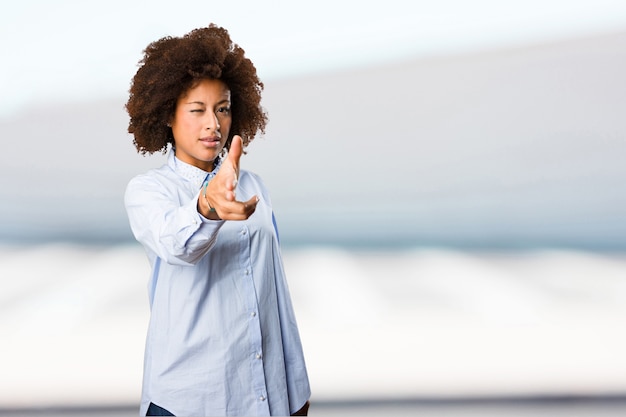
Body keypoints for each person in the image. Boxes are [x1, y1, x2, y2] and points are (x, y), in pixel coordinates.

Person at [124, 24, 311, 416]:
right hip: (187, 399)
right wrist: (208, 206)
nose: (214, 123)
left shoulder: (254, 184)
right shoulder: (148, 192)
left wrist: (296, 390)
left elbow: (276, 292)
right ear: (167, 117)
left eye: (222, 108)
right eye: (197, 110)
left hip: (264, 398)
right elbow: (178, 244)